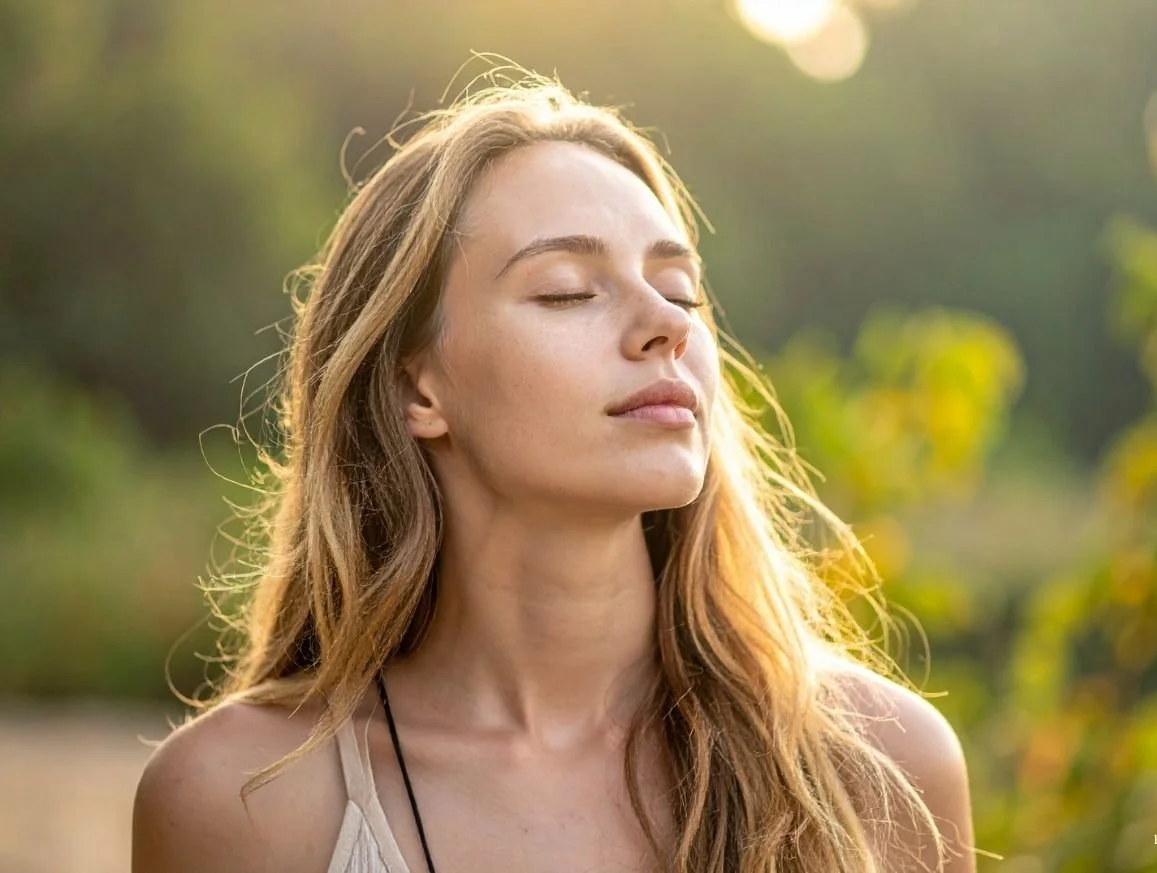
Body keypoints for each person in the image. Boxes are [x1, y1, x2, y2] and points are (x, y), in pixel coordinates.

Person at [131, 74, 976, 873]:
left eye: (680, 290)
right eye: (569, 290)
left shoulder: (878, 767)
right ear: (418, 390)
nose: (667, 325)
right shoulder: (243, 799)